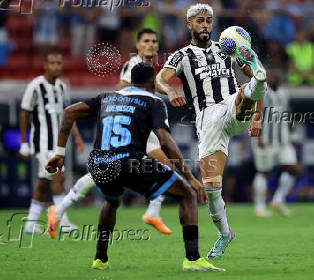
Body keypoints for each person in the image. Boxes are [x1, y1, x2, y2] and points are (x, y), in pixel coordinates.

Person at [46, 63, 224, 271]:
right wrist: (190, 177)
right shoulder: (153, 101)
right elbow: (165, 141)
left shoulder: (107, 97)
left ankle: (100, 259)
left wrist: (59, 153)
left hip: (99, 163)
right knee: (186, 193)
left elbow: (69, 112)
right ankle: (192, 259)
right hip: (131, 162)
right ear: (151, 82)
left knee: (112, 200)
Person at [156, 3, 267, 259]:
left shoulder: (227, 46)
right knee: (211, 188)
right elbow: (160, 79)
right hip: (207, 120)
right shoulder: (182, 55)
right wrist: (170, 89)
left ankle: (251, 93)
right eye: (199, 20)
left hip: (230, 106)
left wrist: (258, 117)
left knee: (249, 87)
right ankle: (225, 233)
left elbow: (251, 72)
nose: (205, 25)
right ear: (189, 24)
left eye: (208, 20)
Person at [48, 29, 173, 236]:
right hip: (131, 124)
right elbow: (121, 88)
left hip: (137, 124)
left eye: (154, 41)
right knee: (165, 164)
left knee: (109, 170)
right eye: (146, 41)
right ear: (138, 44)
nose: (150, 45)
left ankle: (60, 209)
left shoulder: (148, 68)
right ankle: (153, 211)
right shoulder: (133, 65)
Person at [19, 51, 84, 234]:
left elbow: (68, 115)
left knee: (43, 183)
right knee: (59, 176)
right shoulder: (35, 86)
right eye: (52, 63)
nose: (56, 66)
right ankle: (61, 221)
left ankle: (30, 224)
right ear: (45, 66)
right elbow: (24, 113)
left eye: (59, 63)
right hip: (43, 142)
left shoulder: (62, 87)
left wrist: (77, 138)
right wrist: (24, 143)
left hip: (58, 144)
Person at [251, 70, 301, 217]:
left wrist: (294, 136)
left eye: (276, 76)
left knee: (292, 168)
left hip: (284, 141)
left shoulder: (284, 93)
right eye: (270, 76)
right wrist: (258, 138)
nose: (273, 78)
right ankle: (259, 207)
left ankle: (278, 200)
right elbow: (256, 114)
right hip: (265, 140)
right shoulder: (262, 93)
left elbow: (288, 115)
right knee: (263, 172)